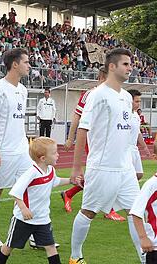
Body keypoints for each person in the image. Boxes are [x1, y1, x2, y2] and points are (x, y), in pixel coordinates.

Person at [69, 48, 142, 264]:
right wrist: (76, 167)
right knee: (88, 212)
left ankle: (146, 257)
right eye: (126, 64)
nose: (130, 68)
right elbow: (83, 129)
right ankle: (75, 257)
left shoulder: (127, 97)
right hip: (103, 167)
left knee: (137, 213)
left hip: (125, 168)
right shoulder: (97, 94)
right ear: (112, 66)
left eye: (131, 64)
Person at [0, 137, 79, 264]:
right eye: (54, 153)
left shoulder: (50, 170)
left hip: (43, 219)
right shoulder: (31, 172)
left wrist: (71, 181)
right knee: (9, 246)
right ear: (43, 158)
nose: (58, 155)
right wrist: (23, 208)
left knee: (51, 246)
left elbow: (54, 181)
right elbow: (16, 191)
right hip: (23, 219)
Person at [61, 66, 126, 222]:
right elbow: (77, 117)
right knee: (101, 174)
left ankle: (69, 194)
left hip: (110, 142)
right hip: (96, 141)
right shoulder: (92, 94)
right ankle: (109, 209)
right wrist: (70, 138)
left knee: (106, 175)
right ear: (102, 77)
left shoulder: (117, 95)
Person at [0, 48, 32, 246]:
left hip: (21, 151)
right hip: (3, 151)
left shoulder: (23, 90)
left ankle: (33, 233)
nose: (29, 66)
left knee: (30, 188)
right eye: (26, 62)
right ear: (15, 64)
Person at [130, 142, 157, 264]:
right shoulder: (151, 185)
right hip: (155, 248)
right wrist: (143, 237)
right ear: (155, 158)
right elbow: (136, 213)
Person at [128, 89, 151, 180]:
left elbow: (138, 133)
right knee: (129, 175)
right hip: (126, 149)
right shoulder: (124, 115)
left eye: (140, 101)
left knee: (139, 174)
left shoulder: (136, 115)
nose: (139, 104)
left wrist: (145, 148)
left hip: (134, 148)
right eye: (136, 101)